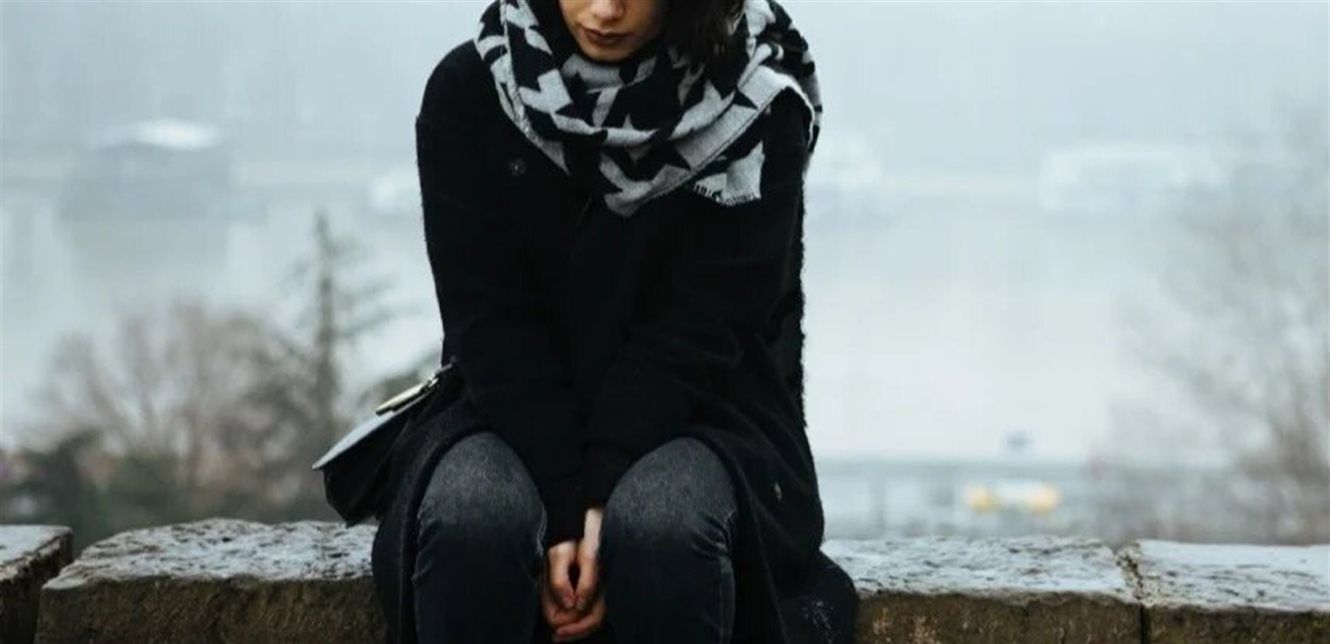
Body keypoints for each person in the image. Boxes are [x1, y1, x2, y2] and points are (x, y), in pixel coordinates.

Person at [368, 1, 858, 642]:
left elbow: (703, 330)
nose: (604, 10)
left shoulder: (758, 108)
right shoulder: (473, 91)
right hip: (508, 402)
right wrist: (566, 501)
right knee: (473, 518)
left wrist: (600, 498)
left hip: (709, 408)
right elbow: (489, 322)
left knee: (660, 527)